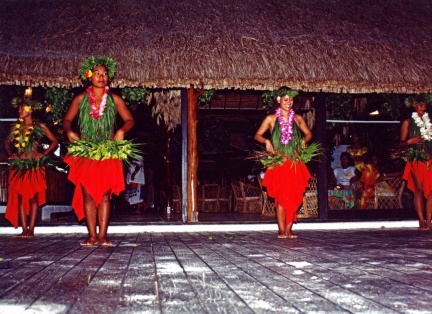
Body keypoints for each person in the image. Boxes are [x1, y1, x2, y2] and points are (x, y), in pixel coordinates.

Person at [63, 56, 134, 246]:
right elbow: (67, 120)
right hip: (87, 152)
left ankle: (102, 235)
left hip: (107, 151)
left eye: (104, 73)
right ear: (89, 76)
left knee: (104, 194)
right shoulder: (80, 99)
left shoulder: (114, 100)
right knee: (87, 194)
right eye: (97, 73)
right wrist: (69, 131)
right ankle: (91, 236)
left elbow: (129, 120)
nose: (101, 76)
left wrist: (121, 130)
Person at [254, 88, 313, 239]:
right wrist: (267, 140)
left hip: (294, 161)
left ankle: (289, 230)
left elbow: (309, 134)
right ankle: (281, 230)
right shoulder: (271, 119)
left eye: (291, 100)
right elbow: (257, 135)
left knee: (293, 195)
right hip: (279, 161)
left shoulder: (297, 118)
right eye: (285, 100)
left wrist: (302, 141)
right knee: (281, 197)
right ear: (279, 100)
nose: (289, 103)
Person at [4, 97, 59, 237]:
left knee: (34, 198)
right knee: (22, 198)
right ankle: (24, 229)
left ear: (31, 110)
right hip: (20, 166)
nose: (19, 110)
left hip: (34, 165)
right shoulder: (16, 127)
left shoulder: (39, 126)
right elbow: (7, 143)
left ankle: (31, 229)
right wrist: (11, 153)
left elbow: (54, 142)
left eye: (23, 108)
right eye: (19, 108)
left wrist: (43, 153)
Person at [400, 94, 432, 230]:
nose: (423, 107)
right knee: (418, 191)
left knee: (431, 192)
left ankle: (429, 220)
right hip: (416, 161)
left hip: (430, 161)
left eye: (425, 104)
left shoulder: (430, 122)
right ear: (414, 105)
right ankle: (421, 220)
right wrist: (409, 141)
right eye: (420, 104)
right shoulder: (407, 122)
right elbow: (400, 144)